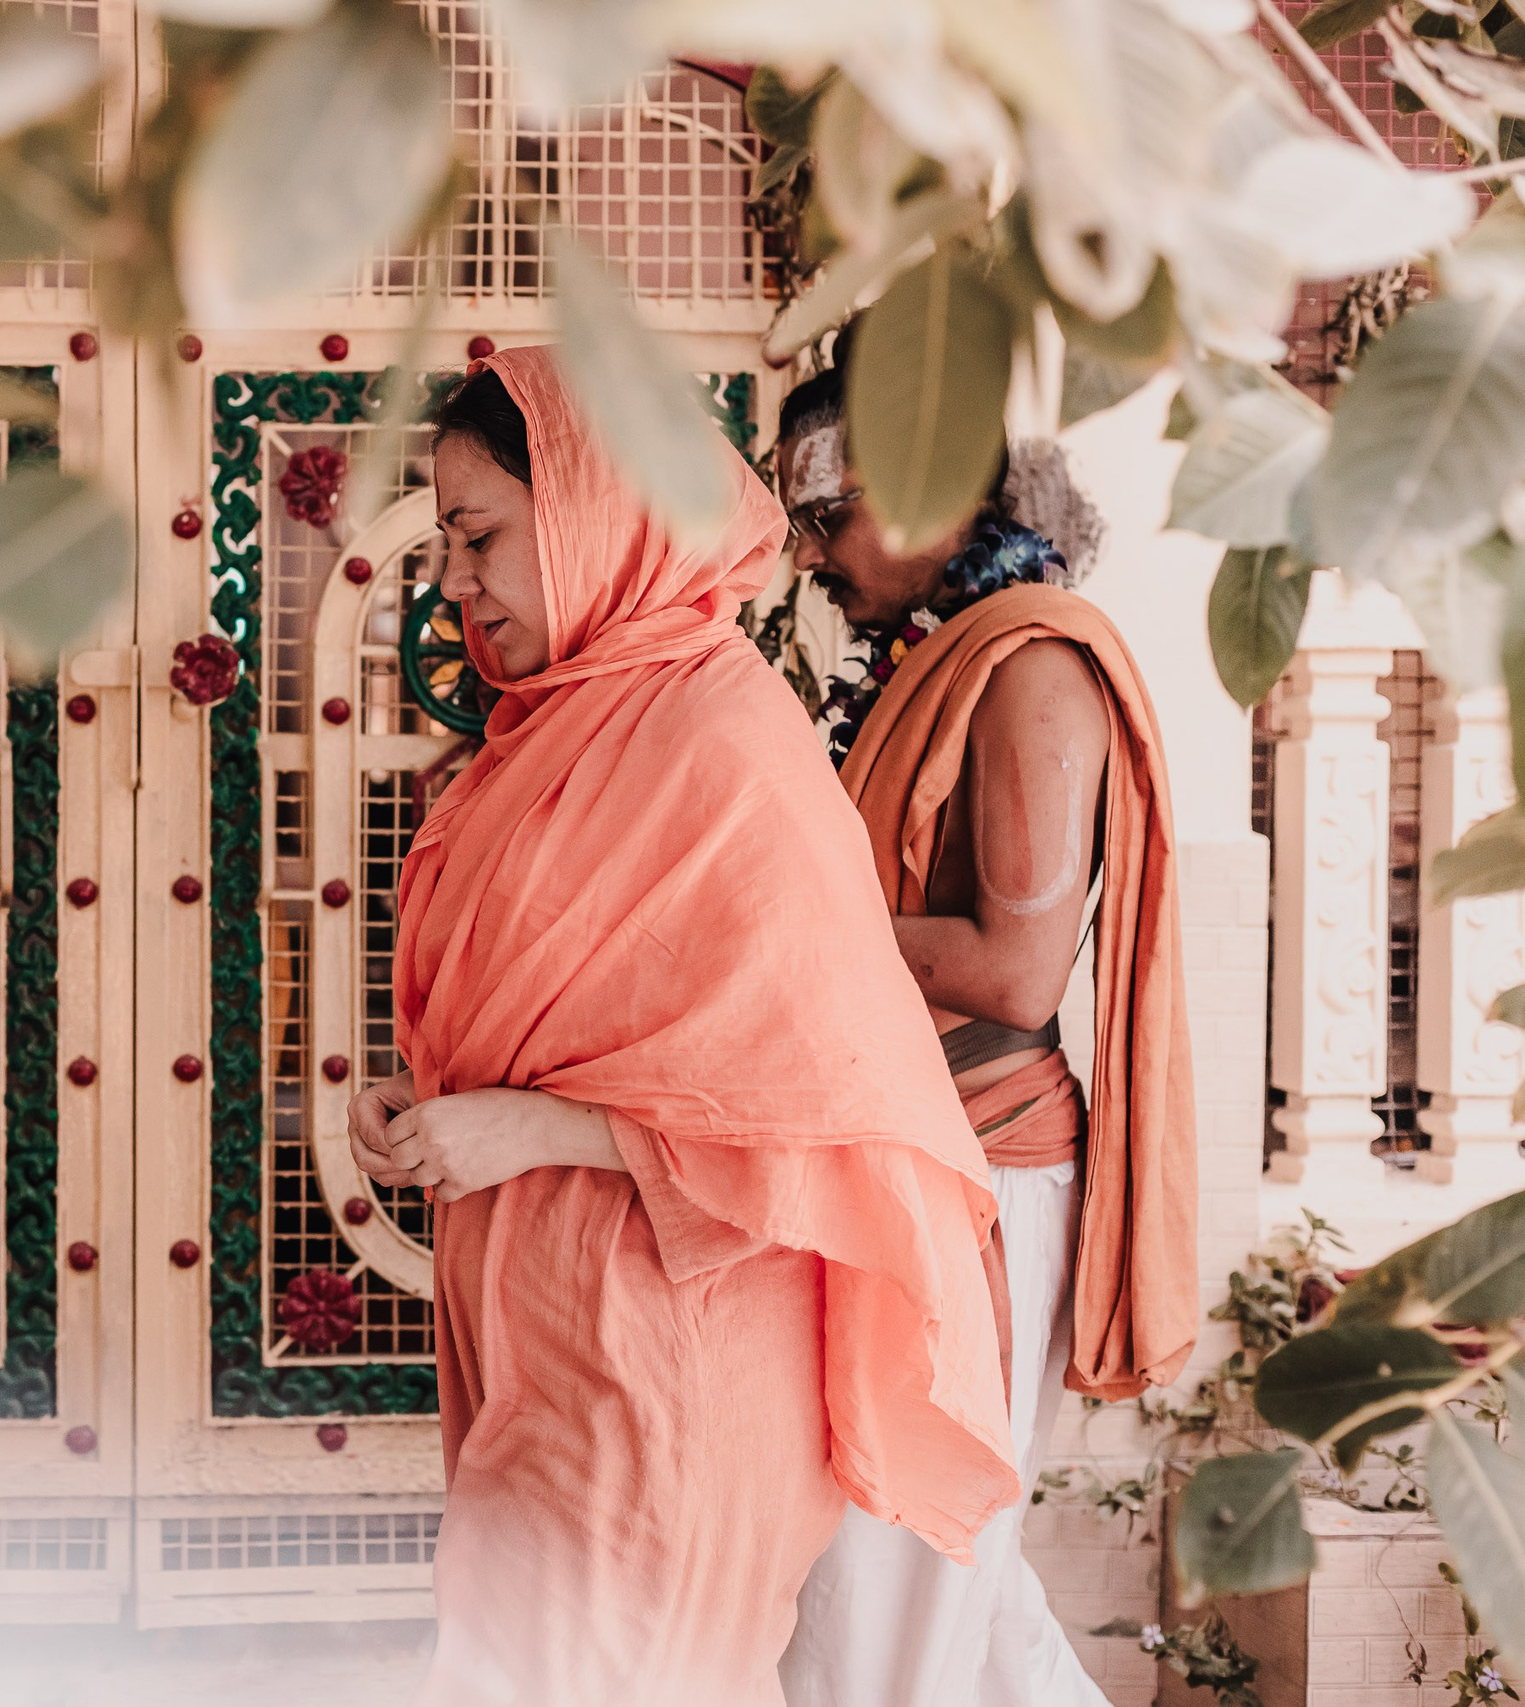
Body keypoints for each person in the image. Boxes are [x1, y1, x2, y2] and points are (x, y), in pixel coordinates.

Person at [351, 345, 1019, 1707]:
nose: (456, 582)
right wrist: (427, 1110)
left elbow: (812, 1104)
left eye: (480, 536)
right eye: (446, 544)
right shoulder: (550, 729)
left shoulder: (719, 739)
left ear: (599, 509)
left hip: (673, 1346)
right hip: (539, 1325)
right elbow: (524, 1018)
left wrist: (530, 1125)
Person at [772, 365, 1198, 1707]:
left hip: (983, 1176)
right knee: (946, 1593)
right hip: (909, 1161)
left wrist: (775, 924)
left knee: (893, 1594)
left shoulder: (1031, 660)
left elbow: (1014, 970)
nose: (810, 553)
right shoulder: (940, 653)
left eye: (829, 513)